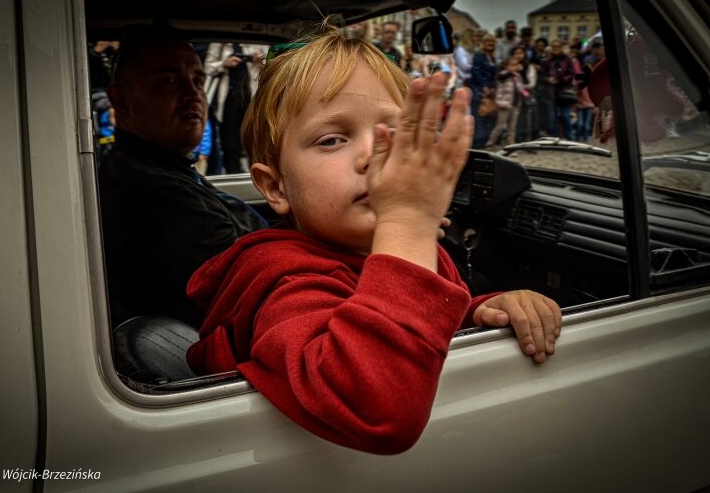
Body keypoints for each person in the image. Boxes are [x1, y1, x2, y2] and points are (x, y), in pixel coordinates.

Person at [185, 25, 561, 454]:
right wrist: (408, 224)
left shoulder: (401, 250)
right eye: (332, 140)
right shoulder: (285, 282)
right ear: (276, 189)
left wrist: (479, 311)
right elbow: (376, 407)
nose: (373, 156)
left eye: (394, 134)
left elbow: (412, 319)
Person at [98, 25, 268, 328]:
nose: (193, 95)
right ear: (120, 101)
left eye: (198, 81)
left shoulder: (160, 168)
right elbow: (257, 300)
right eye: (169, 82)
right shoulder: (157, 195)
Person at [204, 42, 267, 174]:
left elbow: (272, 67)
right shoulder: (219, 42)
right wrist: (224, 64)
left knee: (255, 139)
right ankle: (234, 174)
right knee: (230, 142)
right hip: (228, 98)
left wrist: (259, 61)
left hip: (252, 97)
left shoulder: (257, 42)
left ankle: (259, 174)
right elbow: (208, 68)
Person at [485, 57, 524, 148]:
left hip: (515, 103)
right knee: (500, 125)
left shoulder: (517, 76)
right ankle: (490, 143)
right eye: (512, 65)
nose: (515, 67)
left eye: (516, 65)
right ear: (506, 66)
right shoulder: (503, 75)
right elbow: (501, 80)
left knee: (512, 127)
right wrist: (510, 72)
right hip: (505, 103)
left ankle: (511, 145)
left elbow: (520, 88)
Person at [470, 33, 498, 148]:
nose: (490, 44)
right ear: (483, 43)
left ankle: (485, 142)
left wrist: (493, 88)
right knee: (478, 116)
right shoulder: (479, 55)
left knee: (488, 116)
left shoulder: (493, 57)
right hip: (478, 90)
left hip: (490, 91)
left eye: (492, 42)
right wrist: (484, 86)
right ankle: (477, 144)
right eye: (488, 41)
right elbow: (475, 72)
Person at [544, 39, 576, 140]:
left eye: (557, 46)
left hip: (564, 92)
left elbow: (571, 74)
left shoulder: (567, 60)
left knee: (565, 115)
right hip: (551, 92)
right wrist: (548, 79)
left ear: (561, 48)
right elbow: (543, 75)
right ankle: (555, 139)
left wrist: (559, 79)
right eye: (553, 46)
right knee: (554, 117)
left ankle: (570, 138)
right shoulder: (548, 61)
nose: (555, 49)